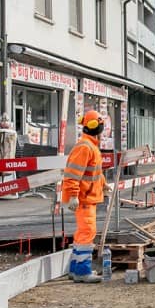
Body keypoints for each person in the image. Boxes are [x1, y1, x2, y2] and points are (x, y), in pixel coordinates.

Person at [61, 110, 107, 282]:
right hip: (84, 198)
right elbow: (73, 175)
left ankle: (75, 270)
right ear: (95, 126)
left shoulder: (91, 146)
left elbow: (94, 172)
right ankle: (82, 271)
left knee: (82, 233)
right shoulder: (85, 147)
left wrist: (103, 184)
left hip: (88, 196)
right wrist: (73, 196)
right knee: (87, 232)